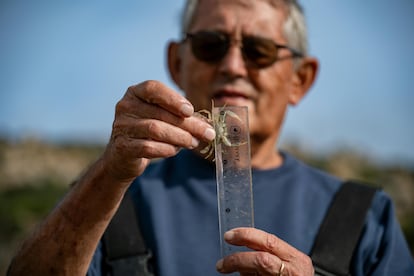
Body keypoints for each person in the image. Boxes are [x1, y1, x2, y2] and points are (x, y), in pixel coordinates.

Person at [7, 0, 414, 275]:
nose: (233, 65)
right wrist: (108, 175)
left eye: (259, 50)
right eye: (210, 45)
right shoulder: (111, 197)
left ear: (300, 80)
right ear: (177, 63)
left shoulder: (364, 216)